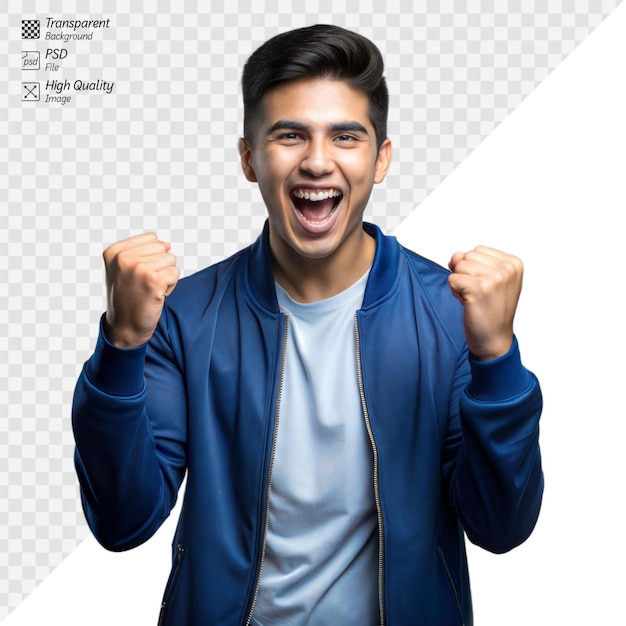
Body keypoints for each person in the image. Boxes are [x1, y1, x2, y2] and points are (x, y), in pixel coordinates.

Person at [72, 24, 543, 626]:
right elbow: (122, 521)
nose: (318, 161)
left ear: (381, 158)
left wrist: (497, 359)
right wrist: (121, 346)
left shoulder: (452, 315)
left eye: (345, 136)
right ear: (249, 157)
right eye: (290, 135)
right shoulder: (184, 316)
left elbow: (500, 526)